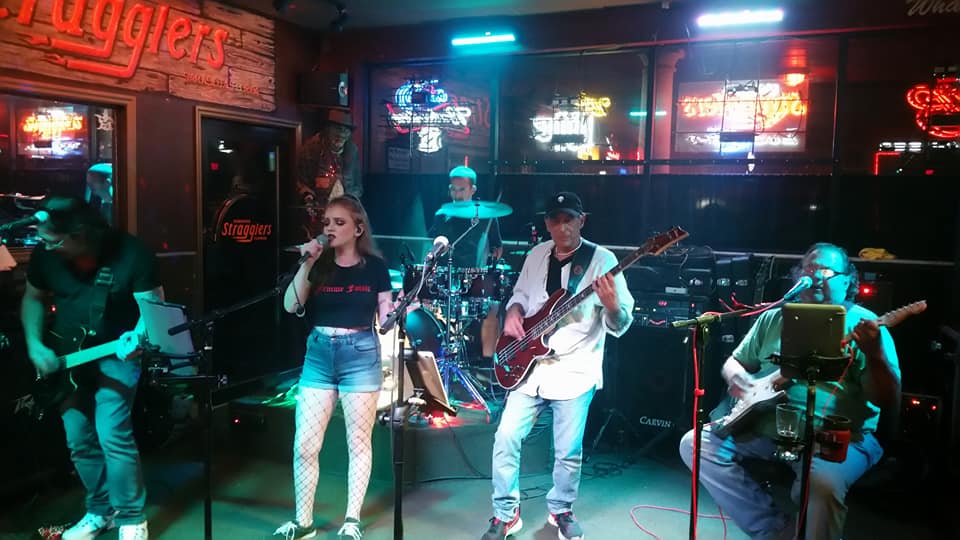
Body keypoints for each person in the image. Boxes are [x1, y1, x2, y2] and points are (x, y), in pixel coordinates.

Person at [678, 242, 901, 540]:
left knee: (820, 485)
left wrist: (874, 354)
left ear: (847, 281)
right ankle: (774, 530)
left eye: (826, 271)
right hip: (766, 428)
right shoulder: (774, 317)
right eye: (809, 269)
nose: (815, 276)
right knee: (694, 444)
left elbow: (886, 398)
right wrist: (739, 378)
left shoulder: (866, 326)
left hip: (833, 439)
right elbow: (735, 361)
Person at [481, 191, 634, 540]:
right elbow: (520, 295)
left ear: (582, 221)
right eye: (555, 220)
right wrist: (513, 312)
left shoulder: (603, 260)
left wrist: (612, 305)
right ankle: (505, 513)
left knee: (567, 452)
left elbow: (621, 324)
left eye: (569, 220)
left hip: (574, 369)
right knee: (506, 437)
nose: (562, 227)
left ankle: (561, 509)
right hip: (530, 367)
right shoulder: (536, 254)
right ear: (547, 223)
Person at [20, 196, 163, 540]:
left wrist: (138, 337)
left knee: (112, 432)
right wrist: (35, 345)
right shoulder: (45, 254)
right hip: (67, 358)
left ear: (80, 234)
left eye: (54, 241)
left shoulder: (132, 253)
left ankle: (132, 519)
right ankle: (100, 511)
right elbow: (32, 297)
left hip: (117, 353)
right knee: (78, 438)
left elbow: (154, 308)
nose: (45, 246)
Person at [274, 195, 394, 540]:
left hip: (360, 355)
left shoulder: (375, 268)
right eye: (326, 222)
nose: (330, 228)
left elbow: (386, 319)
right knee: (304, 444)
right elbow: (290, 304)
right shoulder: (320, 264)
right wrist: (307, 263)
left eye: (339, 222)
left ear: (358, 229)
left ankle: (351, 520)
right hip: (320, 355)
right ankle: (303, 522)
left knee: (358, 442)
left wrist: (401, 309)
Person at [426, 165, 504, 361]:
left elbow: (497, 248)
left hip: (475, 276)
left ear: (473, 190)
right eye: (453, 189)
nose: (456, 194)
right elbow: (434, 245)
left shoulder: (485, 216)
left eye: (461, 189)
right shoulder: (442, 215)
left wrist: (488, 262)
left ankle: (487, 363)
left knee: (493, 308)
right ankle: (437, 357)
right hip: (446, 276)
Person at [296, 109, 362, 238]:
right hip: (319, 218)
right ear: (327, 130)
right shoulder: (312, 149)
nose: (341, 134)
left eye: (345, 131)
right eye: (336, 130)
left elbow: (358, 186)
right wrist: (308, 198)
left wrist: (350, 201)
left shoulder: (352, 152)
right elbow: (301, 182)